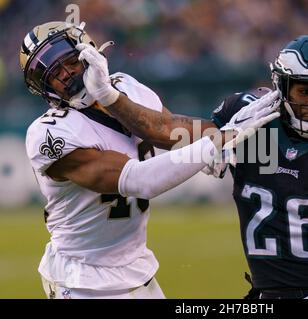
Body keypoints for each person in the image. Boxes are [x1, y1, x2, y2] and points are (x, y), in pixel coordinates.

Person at [97, 34, 308, 299]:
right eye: (305, 90)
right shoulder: (250, 123)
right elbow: (164, 130)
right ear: (282, 87)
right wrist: (213, 143)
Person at [20, 21, 279, 299]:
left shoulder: (124, 86)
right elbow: (139, 180)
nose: (67, 74)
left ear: (88, 51)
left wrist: (214, 135)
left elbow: (165, 129)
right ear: (43, 86)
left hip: (136, 267)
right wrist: (220, 141)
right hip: (82, 277)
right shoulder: (48, 134)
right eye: (55, 73)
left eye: (70, 61)